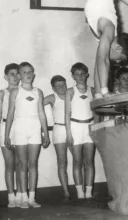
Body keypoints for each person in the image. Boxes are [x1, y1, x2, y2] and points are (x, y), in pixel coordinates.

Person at [5, 62, 50, 209]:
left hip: (35, 129)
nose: (28, 74)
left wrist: (45, 133)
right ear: (19, 75)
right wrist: (7, 135)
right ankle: (23, 197)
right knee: (22, 165)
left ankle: (32, 198)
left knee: (33, 165)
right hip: (19, 129)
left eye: (30, 71)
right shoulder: (15, 92)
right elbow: (10, 114)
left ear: (34, 74)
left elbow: (42, 114)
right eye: (24, 72)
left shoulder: (38, 92)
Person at [65, 63, 95, 199]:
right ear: (73, 76)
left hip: (89, 127)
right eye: (77, 74)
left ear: (87, 74)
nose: (80, 77)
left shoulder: (93, 90)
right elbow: (66, 114)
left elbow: (97, 111)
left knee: (89, 161)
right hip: (75, 127)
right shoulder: (70, 91)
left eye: (82, 73)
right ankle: (79, 192)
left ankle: (88, 192)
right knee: (77, 161)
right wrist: (68, 133)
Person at [44, 75, 71, 201]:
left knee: (78, 161)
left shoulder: (72, 94)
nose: (62, 87)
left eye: (63, 84)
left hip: (73, 128)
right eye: (58, 86)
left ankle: (81, 191)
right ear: (53, 88)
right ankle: (66, 193)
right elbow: (35, 105)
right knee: (62, 163)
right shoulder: (52, 97)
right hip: (59, 130)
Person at [0, 63, 21, 208]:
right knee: (9, 165)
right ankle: (11, 197)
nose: (15, 77)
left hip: (20, 127)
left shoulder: (24, 91)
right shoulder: (2, 93)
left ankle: (21, 195)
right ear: (5, 77)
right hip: (5, 127)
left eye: (17, 73)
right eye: (11, 74)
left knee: (21, 164)